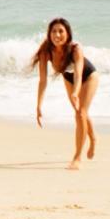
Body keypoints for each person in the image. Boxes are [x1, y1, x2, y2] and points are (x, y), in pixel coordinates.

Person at [32, 17, 98, 169]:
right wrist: (39, 105)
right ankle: (92, 137)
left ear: (68, 33)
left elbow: (78, 74)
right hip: (68, 78)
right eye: (54, 31)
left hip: (88, 77)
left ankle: (77, 158)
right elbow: (42, 80)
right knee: (81, 113)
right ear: (49, 34)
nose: (57, 35)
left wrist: (76, 92)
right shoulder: (46, 50)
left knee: (80, 112)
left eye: (61, 31)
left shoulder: (75, 49)